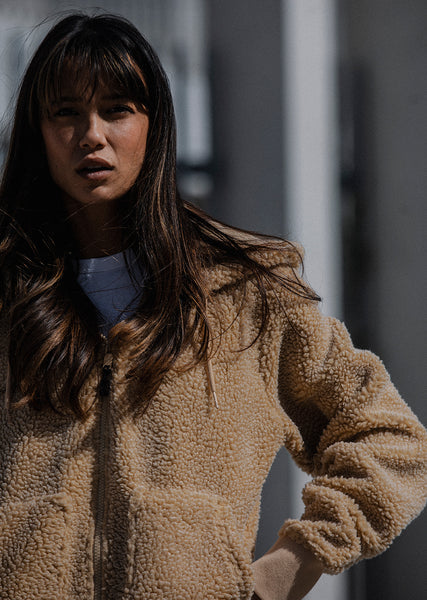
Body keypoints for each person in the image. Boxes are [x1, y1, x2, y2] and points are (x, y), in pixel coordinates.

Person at [0, 12, 426, 600]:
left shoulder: (246, 293)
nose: (91, 134)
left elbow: (390, 439)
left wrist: (285, 571)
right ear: (38, 132)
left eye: (117, 110)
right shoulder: (11, 297)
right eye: (66, 113)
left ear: (154, 126)